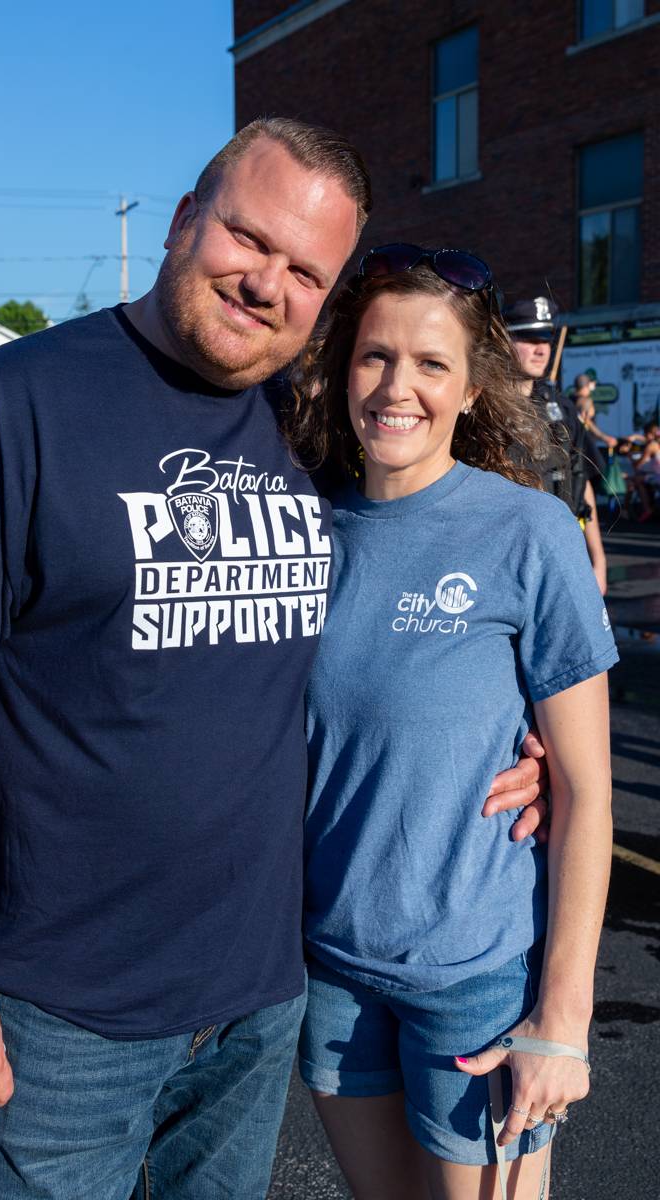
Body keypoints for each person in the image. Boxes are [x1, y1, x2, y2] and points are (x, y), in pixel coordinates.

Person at [0, 123, 545, 1200]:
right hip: (56, 1019)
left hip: (259, 1001)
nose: (266, 283)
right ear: (184, 220)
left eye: (305, 272)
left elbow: (423, 593)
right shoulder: (14, 405)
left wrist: (528, 744)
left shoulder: (310, 430)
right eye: (246, 236)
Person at [285, 246, 617, 1199]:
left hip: (474, 980)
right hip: (336, 974)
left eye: (432, 364)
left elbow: (588, 792)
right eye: (375, 357)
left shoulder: (525, 532)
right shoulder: (307, 530)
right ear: (343, 369)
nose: (399, 387)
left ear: (474, 389)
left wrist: (562, 1018)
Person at [503, 298, 609, 595]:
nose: (541, 350)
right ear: (503, 340)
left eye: (546, 340)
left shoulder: (561, 408)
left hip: (565, 555)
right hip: (507, 562)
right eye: (528, 338)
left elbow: (581, 480)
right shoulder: (482, 409)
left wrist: (598, 562)